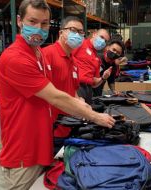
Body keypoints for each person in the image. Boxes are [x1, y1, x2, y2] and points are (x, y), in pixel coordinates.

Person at [0, 0, 115, 189]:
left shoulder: (39, 55)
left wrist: (79, 103)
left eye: (44, 23)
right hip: (23, 152)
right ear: (19, 21)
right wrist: (94, 116)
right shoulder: (16, 58)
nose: (38, 28)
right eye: (32, 21)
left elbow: (62, 91)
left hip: (42, 144)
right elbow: (56, 97)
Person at [42, 16, 85, 153]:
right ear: (61, 33)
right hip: (51, 130)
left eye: (81, 32)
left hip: (69, 125)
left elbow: (73, 90)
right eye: (73, 30)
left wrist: (80, 101)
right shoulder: (46, 55)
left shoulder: (73, 61)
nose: (77, 35)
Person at [73, 29, 111, 105]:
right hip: (76, 86)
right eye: (101, 37)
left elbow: (94, 84)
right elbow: (67, 58)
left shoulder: (97, 59)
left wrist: (103, 78)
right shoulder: (80, 44)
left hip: (88, 90)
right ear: (94, 34)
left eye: (105, 41)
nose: (103, 41)